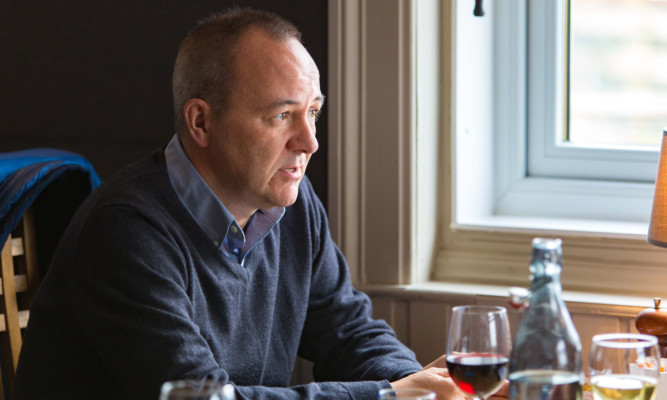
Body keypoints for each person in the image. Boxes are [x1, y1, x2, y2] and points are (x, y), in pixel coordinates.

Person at [13, 8, 508, 400]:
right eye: (282, 116)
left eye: (313, 112)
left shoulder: (294, 205)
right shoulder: (127, 231)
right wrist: (388, 395)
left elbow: (349, 333)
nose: (310, 142)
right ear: (201, 123)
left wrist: (421, 385)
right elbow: (203, 399)